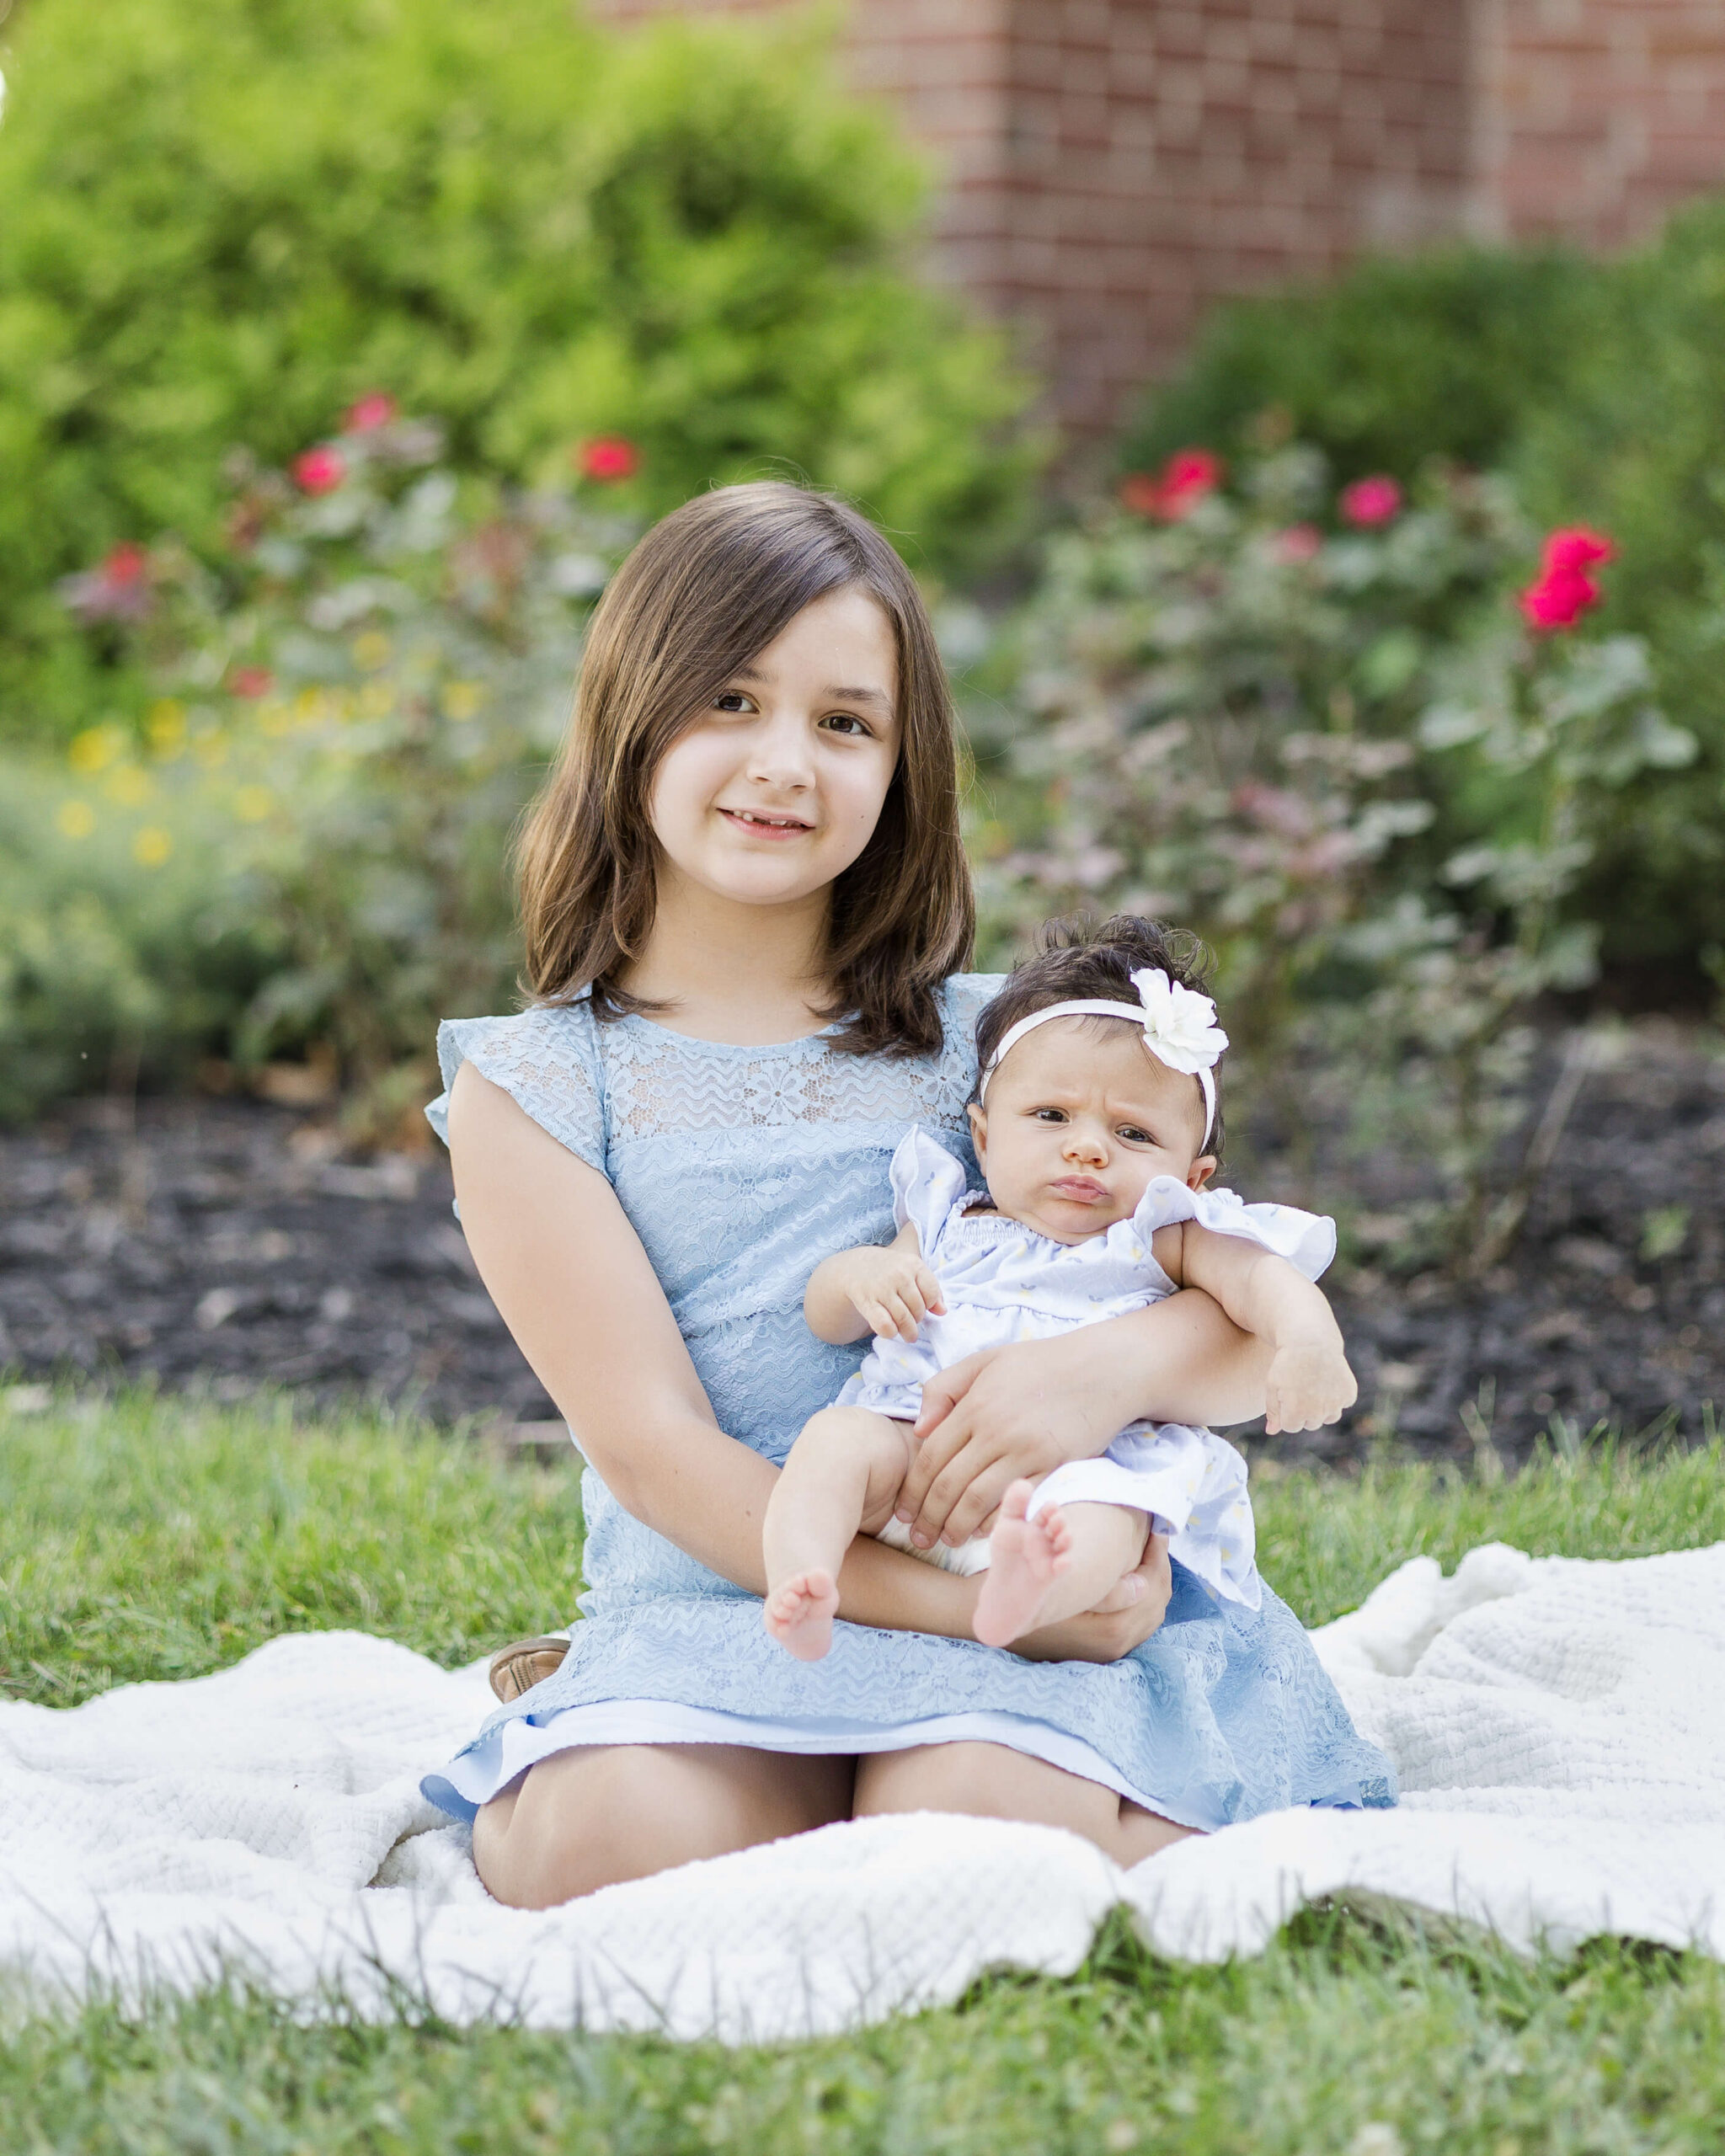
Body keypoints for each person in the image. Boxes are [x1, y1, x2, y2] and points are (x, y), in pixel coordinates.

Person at [419, 481, 1396, 1910]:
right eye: (729, 702)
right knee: (606, 1844)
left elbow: (1233, 1313)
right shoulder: (542, 1088)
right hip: (739, 1593)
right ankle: (609, 1741)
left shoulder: (1000, 1049)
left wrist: (1092, 1377)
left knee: (975, 1832)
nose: (782, 763)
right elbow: (653, 1452)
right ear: (632, 719)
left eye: (843, 722)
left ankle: (1114, 1785)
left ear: (902, 763)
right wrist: (970, 1617)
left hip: (1046, 1575)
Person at [762, 920, 1354, 1662]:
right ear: (983, 1138)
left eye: (1134, 1134)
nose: (1087, 1147)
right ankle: (805, 1578)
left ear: (1194, 1177)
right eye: (1051, 1116)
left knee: (1109, 1520)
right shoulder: (948, 1219)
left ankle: (1026, 1593)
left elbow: (1265, 1280)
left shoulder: (1161, 1234)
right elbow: (828, 1317)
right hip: (909, 1451)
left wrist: (1309, 1340)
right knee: (833, 1443)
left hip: (1075, 1477)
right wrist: (863, 1277)